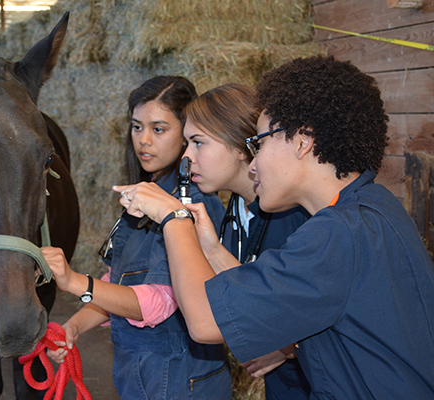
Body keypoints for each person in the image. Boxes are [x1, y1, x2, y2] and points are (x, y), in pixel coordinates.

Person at [115, 55, 434, 399]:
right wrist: (208, 245)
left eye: (260, 143)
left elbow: (205, 322)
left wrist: (172, 217)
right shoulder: (373, 206)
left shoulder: (335, 234)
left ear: (302, 141)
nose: (255, 162)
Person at [42, 76, 232, 399]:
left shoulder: (194, 207)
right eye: (136, 127)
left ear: (186, 134)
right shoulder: (145, 197)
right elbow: (119, 285)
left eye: (158, 129)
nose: (143, 140)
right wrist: (73, 326)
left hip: (179, 382)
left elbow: (157, 302)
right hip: (144, 377)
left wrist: (76, 282)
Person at [175, 83, 312, 399]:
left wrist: (287, 347)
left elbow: (304, 316)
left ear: (241, 146)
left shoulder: (294, 217)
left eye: (198, 143)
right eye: (186, 144)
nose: (186, 157)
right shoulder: (235, 206)